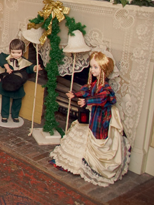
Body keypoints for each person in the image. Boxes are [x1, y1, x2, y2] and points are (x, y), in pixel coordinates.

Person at [50, 52, 131, 187]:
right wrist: (75, 94)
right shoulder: (94, 84)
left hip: (101, 116)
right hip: (94, 114)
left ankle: (91, 164)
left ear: (103, 69)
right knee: (81, 130)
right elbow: (86, 90)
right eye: (92, 67)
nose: (92, 70)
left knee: (96, 137)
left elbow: (101, 98)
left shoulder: (105, 87)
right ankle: (73, 163)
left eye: (95, 67)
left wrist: (87, 101)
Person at [0, 39, 41, 123]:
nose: (15, 55)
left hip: (17, 84)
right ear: (10, 51)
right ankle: (4, 115)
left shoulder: (24, 61)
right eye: (13, 52)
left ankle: (15, 115)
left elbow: (29, 68)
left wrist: (35, 68)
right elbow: (0, 58)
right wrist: (7, 67)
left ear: (22, 52)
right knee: (5, 100)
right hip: (7, 82)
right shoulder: (7, 58)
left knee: (17, 101)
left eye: (18, 53)